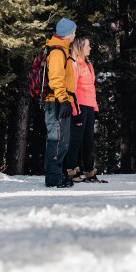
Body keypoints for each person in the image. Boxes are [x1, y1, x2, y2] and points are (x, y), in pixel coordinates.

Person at [43, 17, 78, 188]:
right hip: (56, 101)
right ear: (68, 34)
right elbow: (56, 78)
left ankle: (58, 175)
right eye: (73, 31)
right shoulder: (57, 51)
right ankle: (53, 178)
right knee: (55, 140)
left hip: (60, 100)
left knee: (61, 141)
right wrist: (63, 100)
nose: (75, 34)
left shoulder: (63, 49)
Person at [66, 36, 105, 183]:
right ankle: (72, 170)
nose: (90, 48)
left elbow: (91, 89)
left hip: (89, 106)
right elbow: (72, 89)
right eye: (88, 45)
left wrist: (95, 109)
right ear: (81, 47)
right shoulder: (73, 63)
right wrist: (75, 112)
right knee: (76, 140)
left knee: (89, 141)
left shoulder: (88, 65)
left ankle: (89, 172)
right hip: (79, 106)